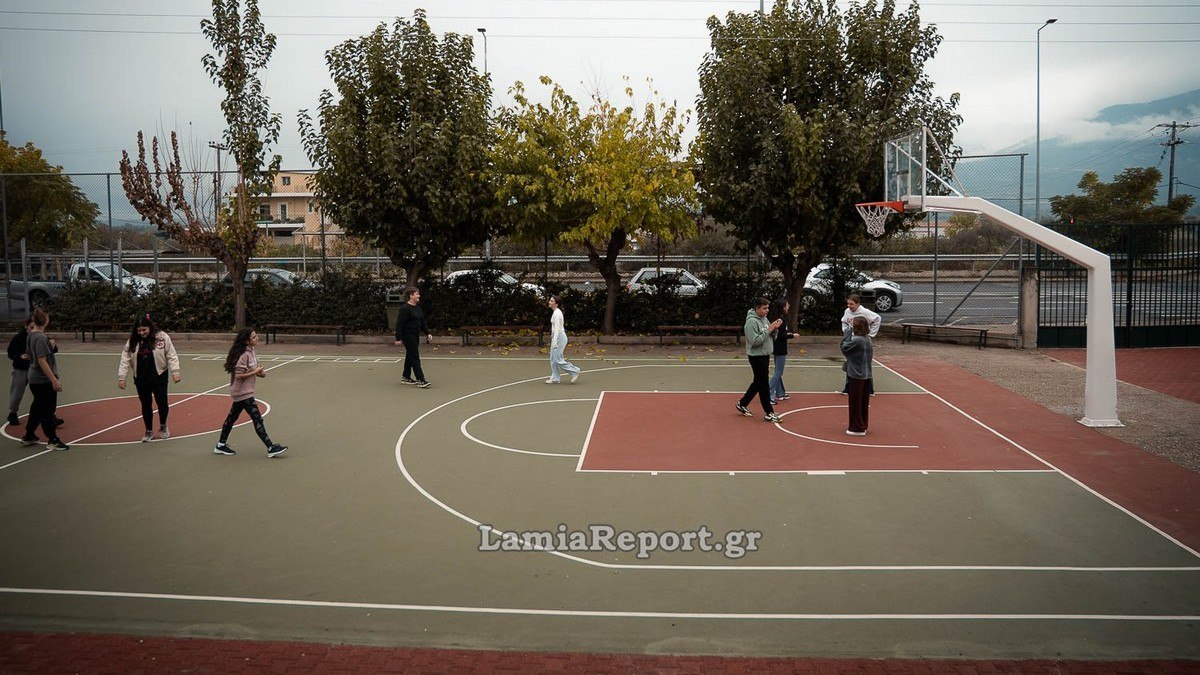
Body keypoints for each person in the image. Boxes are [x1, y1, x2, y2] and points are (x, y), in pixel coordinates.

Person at [213, 328, 286, 458]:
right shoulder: (243, 355)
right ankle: (270, 447)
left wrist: (260, 373)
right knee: (257, 418)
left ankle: (220, 445)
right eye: (254, 337)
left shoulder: (252, 351)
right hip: (242, 392)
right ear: (247, 341)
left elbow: (254, 368)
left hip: (244, 391)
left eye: (256, 336)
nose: (257, 338)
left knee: (231, 418)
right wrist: (255, 371)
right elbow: (239, 375)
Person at [117, 314, 182, 442]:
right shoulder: (132, 341)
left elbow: (171, 354)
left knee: (162, 403)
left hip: (159, 375)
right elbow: (125, 359)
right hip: (141, 377)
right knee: (146, 404)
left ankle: (163, 426)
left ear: (149, 327)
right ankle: (148, 430)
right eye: (139, 330)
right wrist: (121, 377)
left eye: (144, 330)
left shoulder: (162, 337)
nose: (142, 333)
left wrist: (175, 371)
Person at [22, 308, 69, 451]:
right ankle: (52, 439)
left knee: (36, 407)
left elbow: (30, 355)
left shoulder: (31, 335)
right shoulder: (41, 338)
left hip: (34, 378)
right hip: (43, 380)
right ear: (45, 320)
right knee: (47, 410)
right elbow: (42, 361)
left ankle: (29, 434)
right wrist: (54, 380)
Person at [736, 297, 782, 423]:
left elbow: (771, 336)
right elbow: (754, 341)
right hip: (756, 357)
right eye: (764, 308)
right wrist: (769, 329)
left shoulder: (764, 319)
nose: (767, 310)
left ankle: (742, 403)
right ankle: (769, 412)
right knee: (763, 384)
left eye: (768, 308)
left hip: (765, 355)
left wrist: (775, 329)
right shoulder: (751, 322)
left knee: (758, 382)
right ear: (757, 308)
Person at [839, 294, 880, 396]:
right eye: (848, 303)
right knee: (849, 363)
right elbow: (844, 321)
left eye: (851, 304)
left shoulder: (865, 312)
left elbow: (877, 318)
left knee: (863, 364)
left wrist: (871, 334)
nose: (849, 306)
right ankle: (848, 388)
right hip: (852, 340)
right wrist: (846, 331)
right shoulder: (847, 311)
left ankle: (869, 389)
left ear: (858, 304)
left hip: (862, 341)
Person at [840, 315, 874, 436]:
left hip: (856, 375)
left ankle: (856, 428)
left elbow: (844, 347)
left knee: (855, 402)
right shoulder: (868, 339)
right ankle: (862, 425)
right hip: (866, 375)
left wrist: (847, 332)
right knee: (863, 403)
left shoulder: (857, 340)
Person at [394, 286, 431, 388]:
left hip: (415, 335)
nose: (418, 296)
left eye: (418, 294)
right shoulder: (405, 309)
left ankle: (406, 376)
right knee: (415, 356)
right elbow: (399, 324)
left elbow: (422, 322)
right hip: (407, 335)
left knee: (410, 355)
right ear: (411, 296)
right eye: (416, 294)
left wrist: (428, 333)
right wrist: (398, 338)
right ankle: (421, 379)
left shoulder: (418, 308)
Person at [546, 295, 581, 384]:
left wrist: (555, 340)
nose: (549, 302)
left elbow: (558, 328)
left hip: (560, 337)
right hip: (556, 337)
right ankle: (555, 378)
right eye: (550, 300)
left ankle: (574, 370)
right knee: (553, 359)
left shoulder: (557, 313)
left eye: (552, 301)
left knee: (558, 359)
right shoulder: (555, 312)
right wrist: (553, 338)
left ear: (556, 304)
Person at [768, 297, 796, 404]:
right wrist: (792, 335)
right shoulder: (780, 320)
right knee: (778, 372)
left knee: (778, 371)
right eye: (787, 305)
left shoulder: (778, 318)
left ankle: (780, 393)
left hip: (777, 347)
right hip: (780, 348)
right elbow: (780, 336)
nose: (788, 306)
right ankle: (769, 393)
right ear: (783, 307)